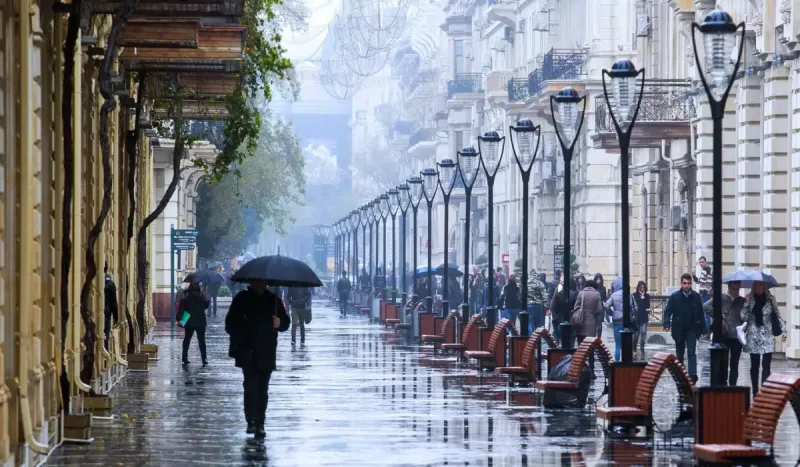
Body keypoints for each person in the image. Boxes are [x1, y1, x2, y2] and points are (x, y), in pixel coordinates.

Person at [225, 280, 290, 438]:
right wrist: (242, 331)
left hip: (266, 352)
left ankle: (260, 422)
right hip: (247, 351)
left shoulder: (273, 300)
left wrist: (279, 323)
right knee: (250, 388)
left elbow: (285, 323)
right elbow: (229, 324)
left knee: (262, 390)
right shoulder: (242, 298)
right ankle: (251, 421)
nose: (260, 284)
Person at [741, 281, 787, 394]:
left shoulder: (771, 299)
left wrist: (784, 331)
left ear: (765, 286)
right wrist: (746, 305)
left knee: (766, 365)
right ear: (754, 286)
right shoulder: (749, 299)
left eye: (762, 285)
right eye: (758, 284)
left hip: (767, 334)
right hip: (753, 335)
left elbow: (777, 315)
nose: (760, 287)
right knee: (754, 365)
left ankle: (764, 391)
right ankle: (755, 391)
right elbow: (743, 317)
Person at [663, 273, 707, 382]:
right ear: (681, 283)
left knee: (692, 352)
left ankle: (692, 374)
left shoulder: (696, 296)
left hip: (692, 328)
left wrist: (703, 329)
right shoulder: (675, 296)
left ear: (691, 284)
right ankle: (680, 373)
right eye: (684, 283)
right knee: (680, 353)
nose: (686, 285)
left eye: (688, 283)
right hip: (679, 329)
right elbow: (668, 311)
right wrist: (667, 323)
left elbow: (701, 313)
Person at [703, 280, 745, 386]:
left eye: (738, 289)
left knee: (734, 364)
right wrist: (718, 314)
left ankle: (733, 386)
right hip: (724, 335)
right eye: (735, 288)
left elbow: (746, 317)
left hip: (736, 336)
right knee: (723, 364)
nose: (737, 291)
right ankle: (724, 385)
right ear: (730, 287)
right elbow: (706, 306)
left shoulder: (742, 300)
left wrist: (747, 306)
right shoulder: (721, 298)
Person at [604, 276, 638, 362]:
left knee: (618, 344)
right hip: (627, 322)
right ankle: (627, 362)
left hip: (617, 322)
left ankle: (617, 362)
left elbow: (606, 305)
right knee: (627, 344)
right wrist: (630, 314)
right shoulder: (629, 295)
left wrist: (612, 313)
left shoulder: (613, 295)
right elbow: (635, 308)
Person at [178, 280, 210, 366]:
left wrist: (206, 299)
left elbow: (206, 305)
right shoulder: (186, 294)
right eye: (195, 283)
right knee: (187, 339)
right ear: (191, 284)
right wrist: (180, 318)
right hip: (189, 320)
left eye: (197, 283)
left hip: (200, 320)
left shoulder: (201, 293)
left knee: (201, 341)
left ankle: (204, 358)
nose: (196, 285)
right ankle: (184, 358)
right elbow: (181, 307)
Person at [550, 273, 577, 341]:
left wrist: (556, 315)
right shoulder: (575, 294)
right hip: (572, 319)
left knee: (562, 338)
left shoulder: (559, 293)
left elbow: (554, 306)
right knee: (571, 339)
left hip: (560, 319)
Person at [632, 281, 651, 357]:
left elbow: (648, 306)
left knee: (643, 333)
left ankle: (642, 348)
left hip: (644, 317)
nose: (642, 289)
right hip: (637, 317)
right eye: (641, 287)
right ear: (638, 287)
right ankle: (634, 348)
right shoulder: (634, 295)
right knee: (636, 334)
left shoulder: (647, 296)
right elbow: (634, 306)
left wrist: (648, 312)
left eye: (643, 287)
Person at [103, 262, 119, 350]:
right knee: (105, 336)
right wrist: (116, 318)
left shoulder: (94, 280)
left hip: (97, 316)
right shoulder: (110, 284)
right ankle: (105, 362)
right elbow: (114, 302)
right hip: (106, 315)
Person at [593, 273, 607, 339]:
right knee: (593, 325)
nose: (598, 280)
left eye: (599, 279)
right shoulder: (593, 288)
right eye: (597, 279)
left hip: (600, 308)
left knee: (599, 326)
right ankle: (593, 338)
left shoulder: (603, 288)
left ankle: (599, 338)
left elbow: (604, 298)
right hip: (593, 307)